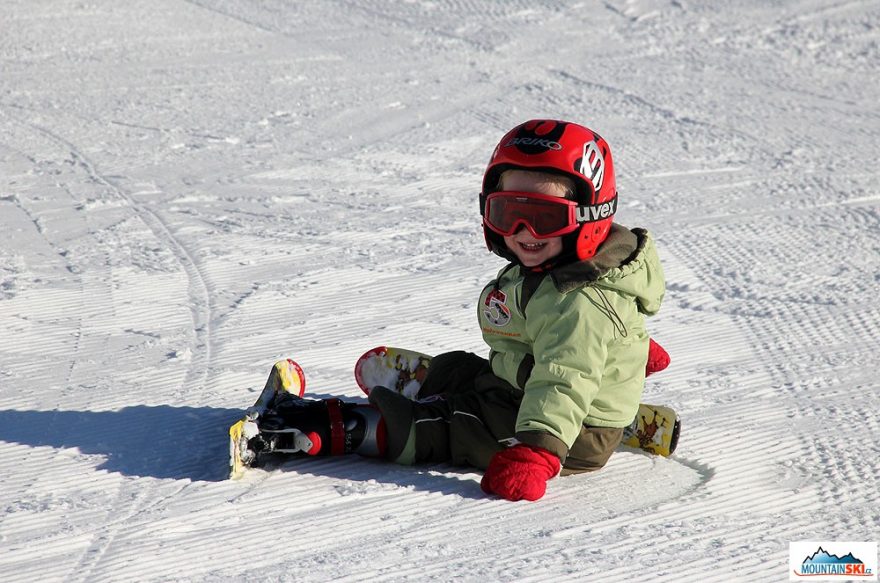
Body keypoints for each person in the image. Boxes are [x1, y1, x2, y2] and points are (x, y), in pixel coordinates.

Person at [246, 119, 667, 502]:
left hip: (568, 435)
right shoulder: (564, 268)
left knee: (454, 424)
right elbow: (591, 336)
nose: (524, 232)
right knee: (463, 369)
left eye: (544, 217)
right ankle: (443, 382)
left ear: (590, 217)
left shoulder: (580, 301)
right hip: (527, 381)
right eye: (509, 213)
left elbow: (565, 377)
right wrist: (625, 350)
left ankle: (353, 429)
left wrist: (535, 454)